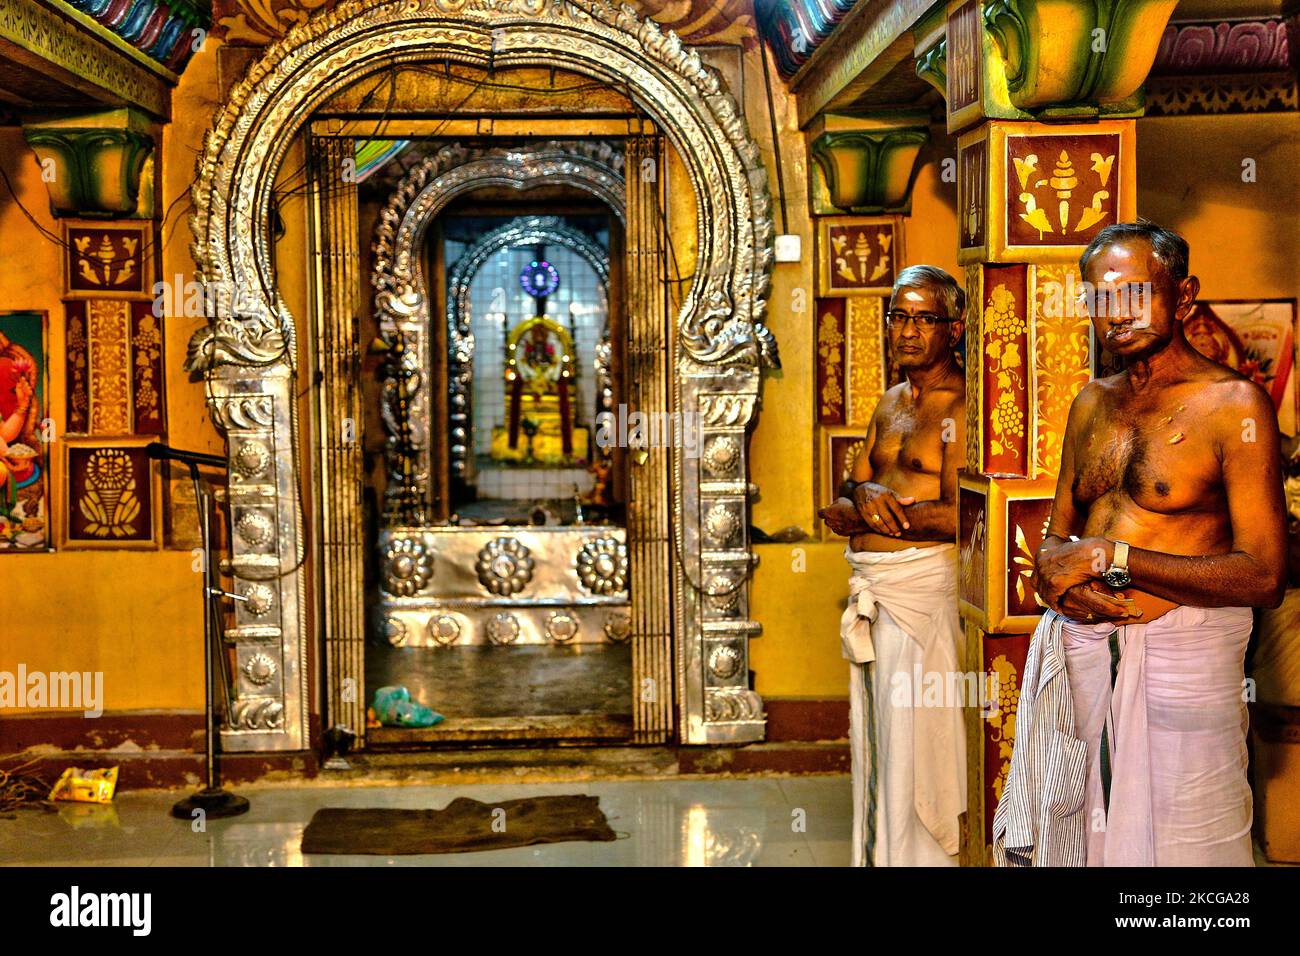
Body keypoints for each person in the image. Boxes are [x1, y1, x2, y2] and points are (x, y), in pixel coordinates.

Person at [1001, 221, 1286, 866]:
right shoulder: (1091, 404)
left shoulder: (1232, 405)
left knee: (1190, 846)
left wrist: (1114, 562)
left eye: (1134, 293)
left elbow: (1264, 575)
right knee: (1090, 833)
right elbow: (1056, 538)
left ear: (1183, 297)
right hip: (1086, 654)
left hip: (1184, 663)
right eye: (1100, 298)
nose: (1116, 314)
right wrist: (1061, 581)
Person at [819, 264, 967, 866]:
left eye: (922, 318)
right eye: (897, 316)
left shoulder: (963, 405)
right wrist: (859, 502)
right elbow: (854, 490)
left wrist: (868, 512)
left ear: (953, 329)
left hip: (923, 594)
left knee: (919, 744)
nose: (906, 330)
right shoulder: (889, 402)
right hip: (878, 593)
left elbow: (964, 516)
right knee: (881, 743)